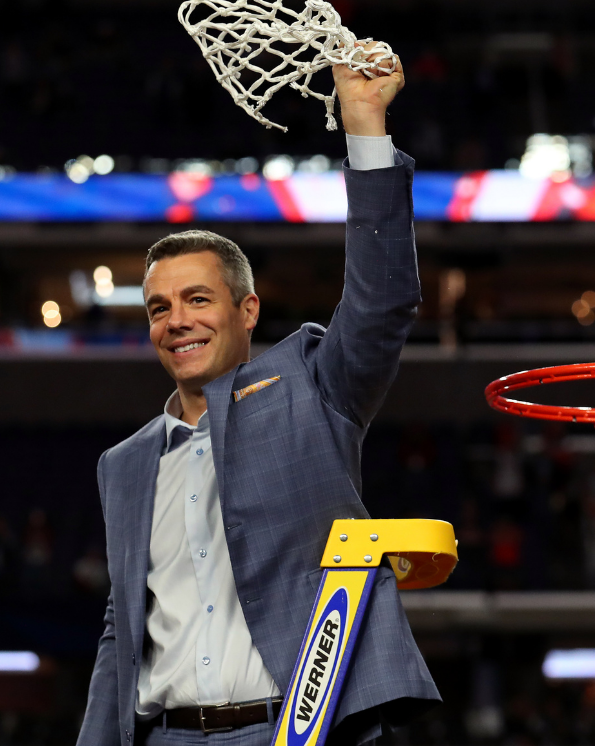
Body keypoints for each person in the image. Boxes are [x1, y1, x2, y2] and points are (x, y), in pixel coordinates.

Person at [78, 60, 439, 745]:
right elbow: (121, 632)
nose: (176, 320)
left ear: (248, 312)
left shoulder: (311, 389)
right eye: (159, 308)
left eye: (198, 300)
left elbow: (383, 301)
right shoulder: (121, 465)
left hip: (297, 728)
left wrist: (364, 128)